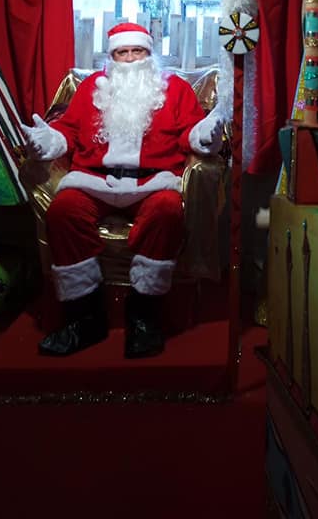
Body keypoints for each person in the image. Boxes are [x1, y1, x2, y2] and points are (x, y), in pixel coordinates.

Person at [21, 21, 224, 360]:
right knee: (63, 211)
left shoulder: (174, 89)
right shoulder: (92, 89)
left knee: (167, 211)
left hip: (152, 182)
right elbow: (67, 131)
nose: (130, 59)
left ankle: (144, 315)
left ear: (149, 53)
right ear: (111, 56)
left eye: (138, 51)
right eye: (122, 52)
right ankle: (84, 317)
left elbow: (191, 131)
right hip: (94, 181)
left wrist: (205, 135)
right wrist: (49, 142)